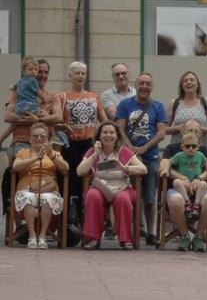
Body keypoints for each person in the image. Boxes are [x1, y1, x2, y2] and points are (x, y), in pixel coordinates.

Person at [77, 121, 147, 250]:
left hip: (122, 187)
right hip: (100, 187)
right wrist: (95, 155)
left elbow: (143, 169)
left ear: (117, 136)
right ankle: (93, 238)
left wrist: (125, 167)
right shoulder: (93, 151)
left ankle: (126, 239)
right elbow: (80, 171)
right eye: (105, 132)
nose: (108, 135)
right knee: (92, 196)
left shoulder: (124, 151)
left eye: (111, 132)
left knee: (123, 199)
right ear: (99, 136)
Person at [115, 72, 167, 245]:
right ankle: (132, 230)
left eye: (148, 84)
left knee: (150, 197)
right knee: (129, 195)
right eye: (141, 83)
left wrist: (144, 148)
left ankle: (151, 232)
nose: (144, 86)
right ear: (135, 85)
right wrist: (130, 149)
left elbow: (161, 133)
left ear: (152, 87)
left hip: (151, 156)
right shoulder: (124, 104)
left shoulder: (158, 107)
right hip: (128, 158)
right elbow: (119, 129)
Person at [158, 122, 207, 252]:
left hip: (199, 189)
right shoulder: (172, 148)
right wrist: (180, 177)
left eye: (196, 130)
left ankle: (198, 236)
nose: (193, 132)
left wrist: (200, 178)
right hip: (178, 189)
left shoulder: (202, 150)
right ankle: (184, 235)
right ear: (182, 132)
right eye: (190, 129)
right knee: (175, 200)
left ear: (200, 134)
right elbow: (164, 166)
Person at [59, 61, 107, 220]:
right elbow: (57, 121)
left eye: (83, 73)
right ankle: (67, 220)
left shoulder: (94, 97)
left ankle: (86, 218)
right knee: (69, 181)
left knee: (87, 181)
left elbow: (104, 121)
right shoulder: (62, 96)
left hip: (89, 145)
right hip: (69, 145)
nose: (80, 76)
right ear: (70, 75)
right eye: (77, 73)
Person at [11, 123, 69, 249]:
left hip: (48, 188)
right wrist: (36, 158)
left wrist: (52, 156)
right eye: (35, 136)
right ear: (30, 139)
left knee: (48, 198)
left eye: (42, 136)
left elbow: (65, 168)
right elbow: (15, 167)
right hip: (27, 187)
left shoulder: (54, 153)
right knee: (27, 197)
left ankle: (42, 236)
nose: (39, 139)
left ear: (48, 138)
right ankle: (32, 235)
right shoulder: (23, 152)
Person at [4, 59, 63, 159]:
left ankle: (54, 137)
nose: (42, 75)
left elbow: (58, 117)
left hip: (43, 144)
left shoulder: (53, 96)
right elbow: (7, 116)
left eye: (46, 72)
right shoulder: (17, 92)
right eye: (40, 71)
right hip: (21, 142)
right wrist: (28, 118)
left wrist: (38, 120)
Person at [165, 71, 207, 149]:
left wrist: (201, 130)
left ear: (197, 84)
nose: (189, 82)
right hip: (178, 149)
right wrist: (178, 128)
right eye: (185, 81)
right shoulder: (174, 103)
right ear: (182, 85)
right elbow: (164, 129)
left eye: (192, 80)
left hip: (200, 148)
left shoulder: (206, 102)